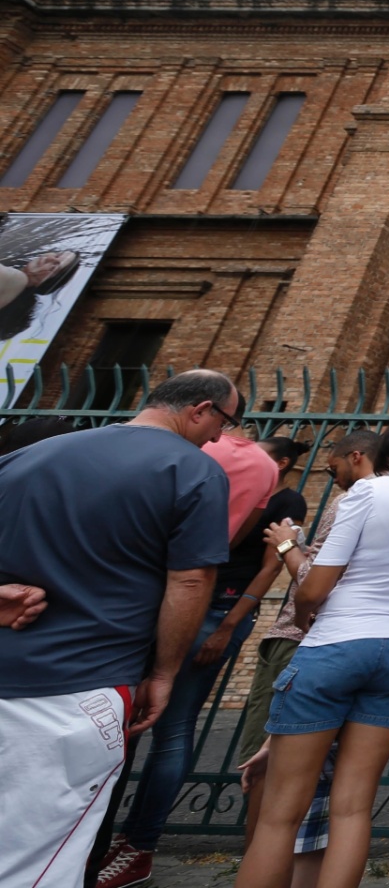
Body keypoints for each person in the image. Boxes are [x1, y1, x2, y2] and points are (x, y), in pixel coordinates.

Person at [0, 370, 236, 888]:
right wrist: (166, 673)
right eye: (224, 421)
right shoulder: (192, 469)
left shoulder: (30, 456)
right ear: (200, 409)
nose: (221, 437)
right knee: (36, 863)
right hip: (80, 686)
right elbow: (192, 581)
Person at [234, 404, 389, 888]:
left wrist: (308, 614)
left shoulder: (370, 491)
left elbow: (314, 585)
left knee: (279, 816)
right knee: (352, 808)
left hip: (337, 646)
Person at [97, 412, 281, 885]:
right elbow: (227, 544)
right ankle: (137, 845)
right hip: (210, 607)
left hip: (163, 600)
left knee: (119, 722)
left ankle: (101, 839)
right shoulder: (264, 470)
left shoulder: (186, 453)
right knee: (171, 729)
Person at [234, 431, 379, 765]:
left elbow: (314, 581)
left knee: (265, 755)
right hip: (354, 639)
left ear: (355, 457)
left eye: (333, 469)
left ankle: (261, 817)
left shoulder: (349, 501)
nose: (335, 479)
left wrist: (286, 544)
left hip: (298, 637)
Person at [0, 248, 81, 339]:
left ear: (47, 278)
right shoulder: (12, 293)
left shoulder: (16, 279)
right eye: (57, 254)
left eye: (54, 266)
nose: (50, 258)